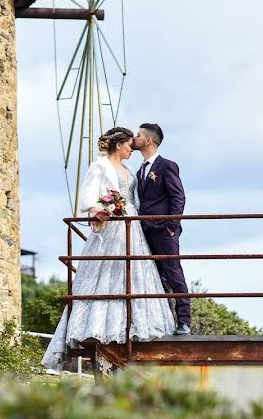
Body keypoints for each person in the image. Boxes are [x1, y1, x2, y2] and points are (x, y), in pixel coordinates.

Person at [42, 127, 175, 372]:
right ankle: (98, 327)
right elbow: (86, 199)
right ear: (118, 146)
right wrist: (102, 211)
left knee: (134, 272)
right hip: (112, 227)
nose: (131, 149)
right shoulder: (100, 167)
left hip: (131, 227)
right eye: (128, 146)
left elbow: (134, 200)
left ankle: (138, 324)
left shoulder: (130, 172)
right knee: (106, 275)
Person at [133, 123, 191, 335]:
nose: (134, 138)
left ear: (148, 140)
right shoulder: (140, 169)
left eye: (138, 135)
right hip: (145, 230)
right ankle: (165, 320)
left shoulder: (167, 166)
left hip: (164, 230)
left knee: (173, 273)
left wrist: (171, 226)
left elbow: (178, 196)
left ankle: (184, 321)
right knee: (156, 277)